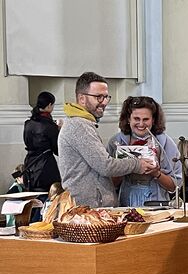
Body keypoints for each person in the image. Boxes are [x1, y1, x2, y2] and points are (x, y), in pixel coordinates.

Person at [58, 72, 156, 208]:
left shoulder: (83, 123)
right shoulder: (79, 125)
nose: (104, 102)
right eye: (98, 97)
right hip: (88, 210)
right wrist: (137, 164)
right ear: (82, 99)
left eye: (105, 97)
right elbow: (105, 166)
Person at [107, 96, 182, 207]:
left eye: (146, 119)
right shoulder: (116, 142)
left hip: (156, 203)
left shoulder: (165, 142)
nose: (141, 124)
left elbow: (175, 186)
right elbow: (108, 184)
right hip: (125, 203)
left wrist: (156, 173)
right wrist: (123, 167)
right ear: (128, 119)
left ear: (154, 120)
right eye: (136, 119)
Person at [23, 91, 61, 192]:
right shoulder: (49, 126)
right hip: (46, 168)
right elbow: (58, 150)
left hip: (30, 165)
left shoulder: (28, 124)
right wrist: (59, 130)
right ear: (49, 105)